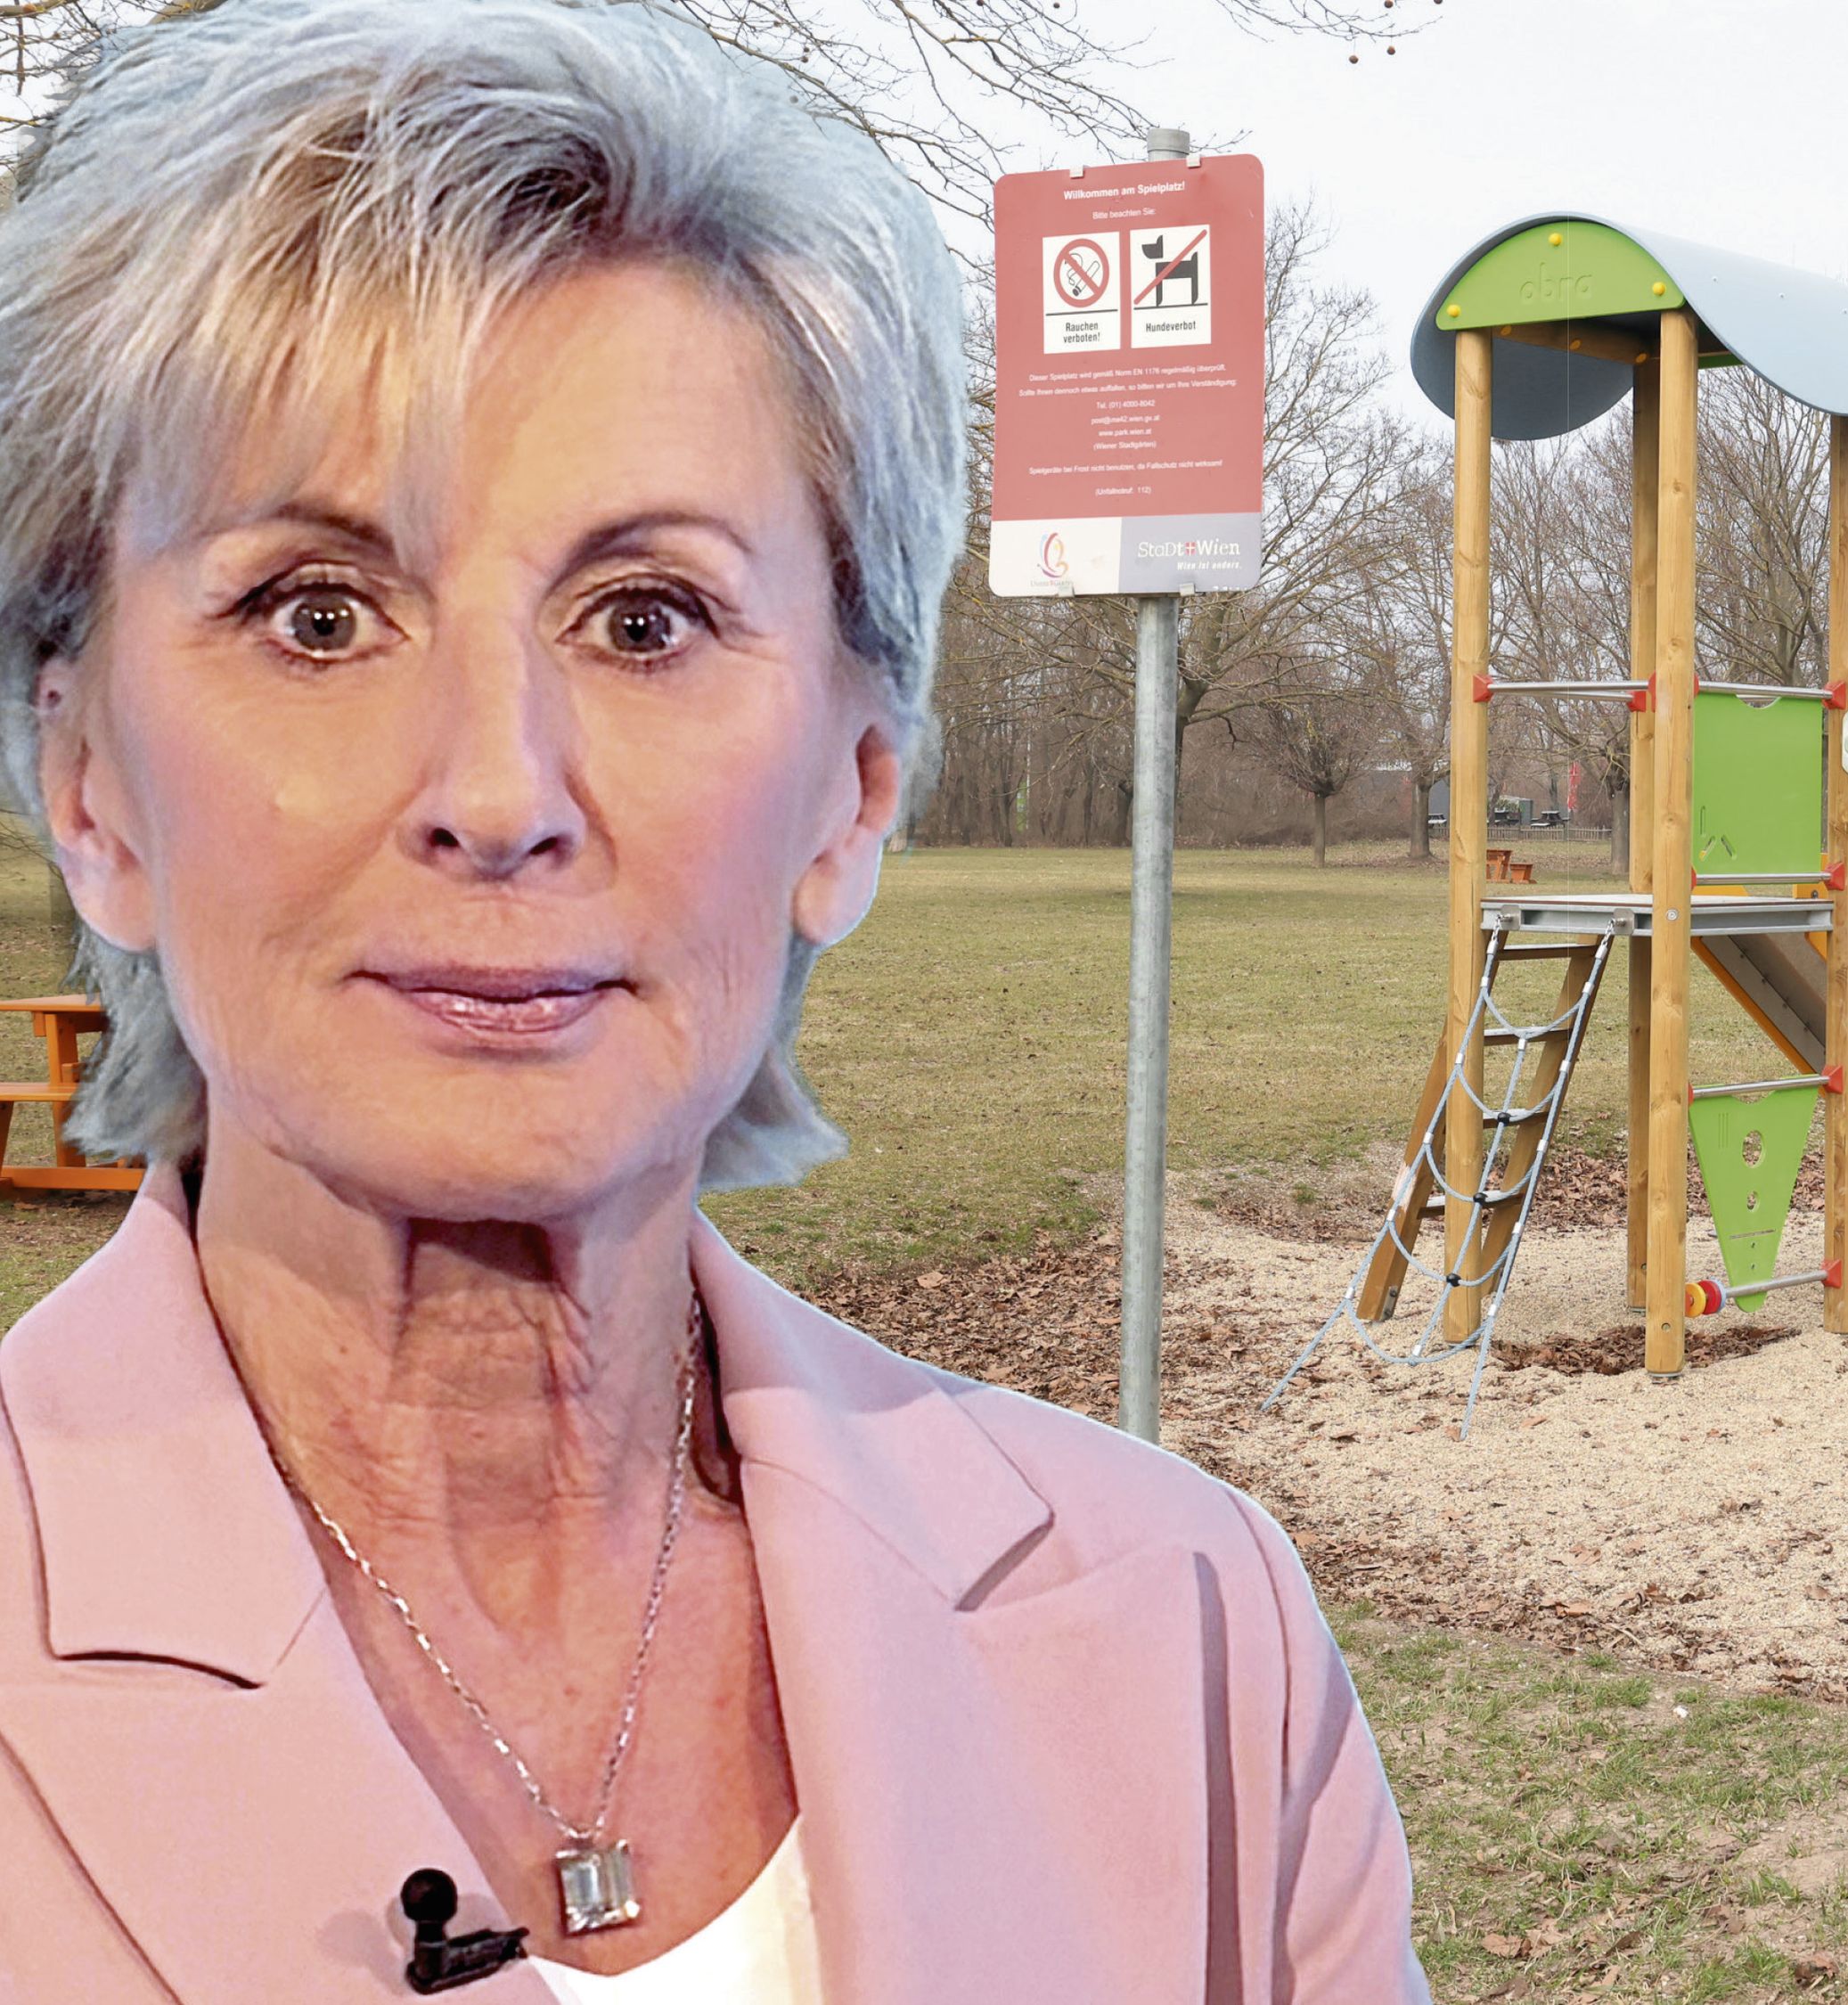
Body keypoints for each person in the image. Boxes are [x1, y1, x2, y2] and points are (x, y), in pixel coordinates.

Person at [0, 2, 1429, 1998]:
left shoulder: (1197, 1641)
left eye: (644, 617)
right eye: (318, 614)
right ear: (86, 782)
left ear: (854, 791)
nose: (499, 791)